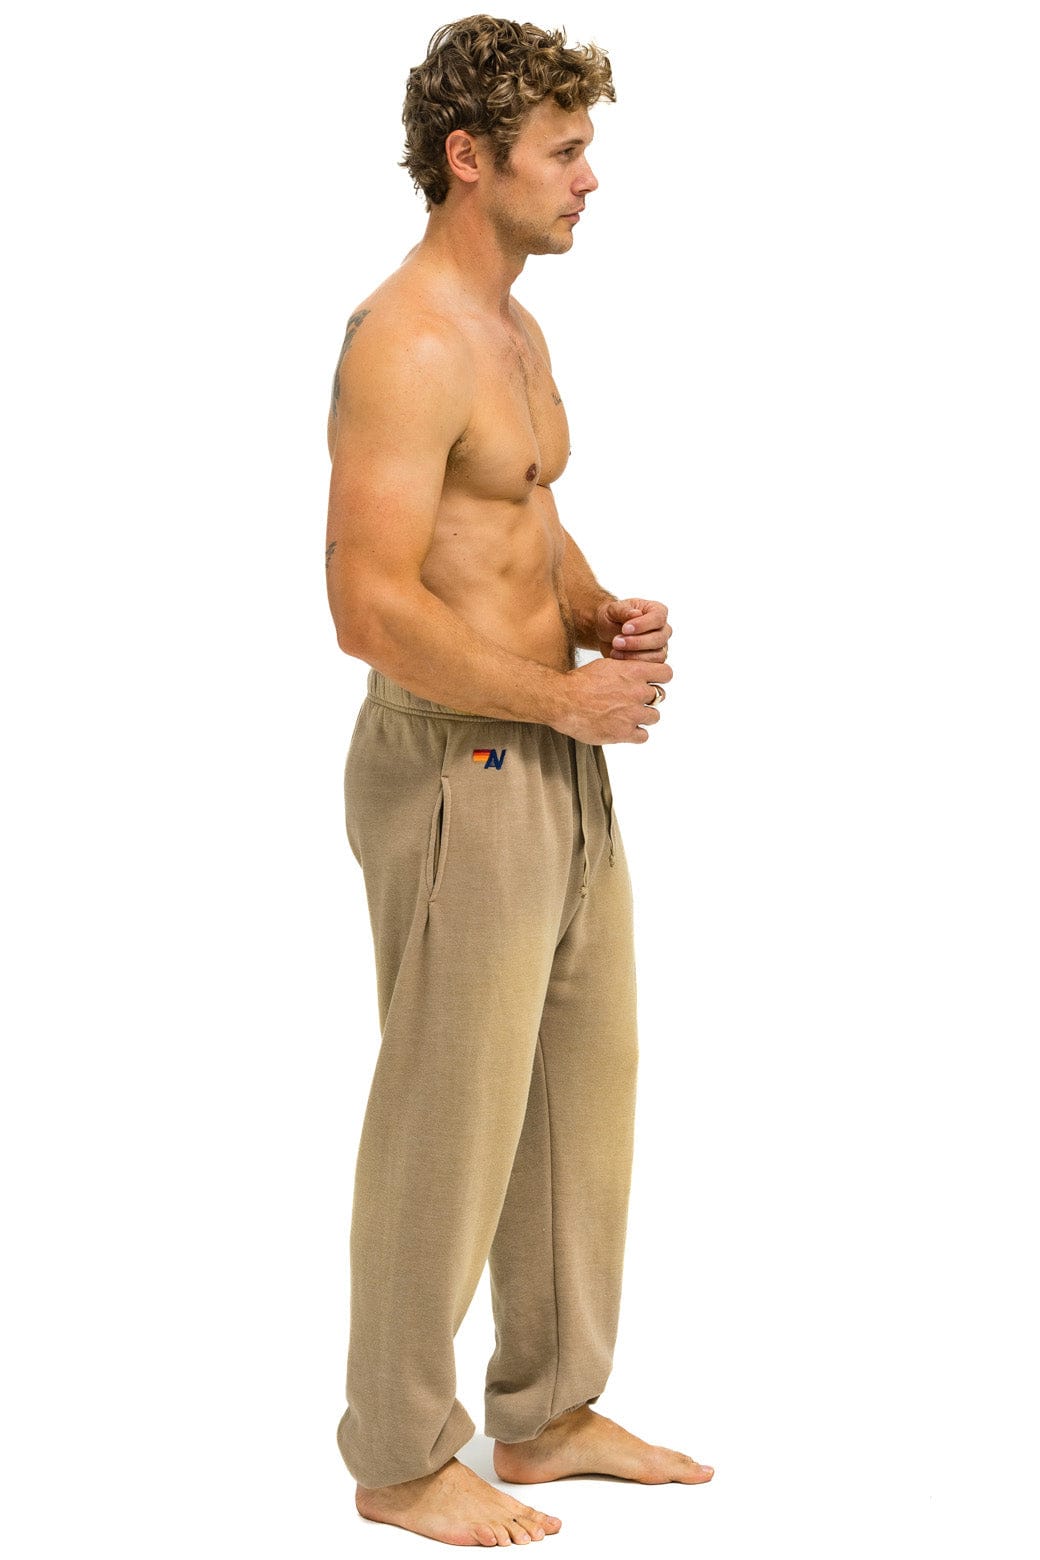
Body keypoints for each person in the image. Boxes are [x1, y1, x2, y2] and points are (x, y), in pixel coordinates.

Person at [324, 15, 713, 1547]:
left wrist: (590, 607)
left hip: (551, 745)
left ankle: (546, 1412)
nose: (589, 177)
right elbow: (368, 601)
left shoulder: (513, 328)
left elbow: (520, 513)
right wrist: (556, 693)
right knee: (451, 1111)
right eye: (565, 150)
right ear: (469, 158)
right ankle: (398, 1453)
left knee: (579, 1092)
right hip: (461, 761)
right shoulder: (407, 341)